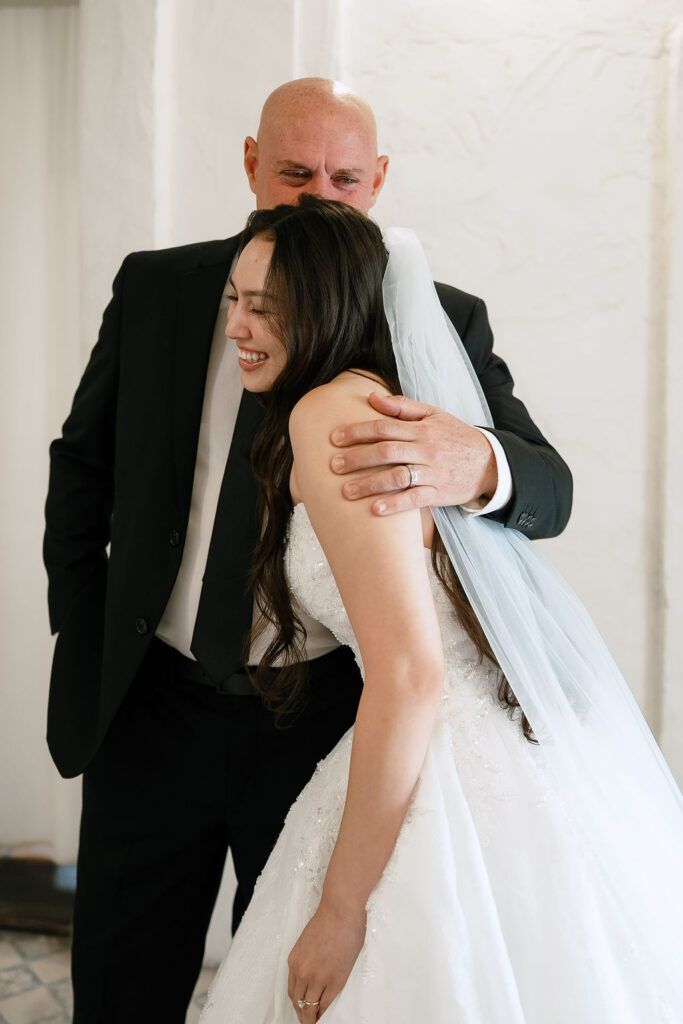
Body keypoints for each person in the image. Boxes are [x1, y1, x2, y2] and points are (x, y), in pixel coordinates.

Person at [43, 79, 571, 1022]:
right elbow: (79, 471)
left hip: (317, 719)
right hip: (149, 703)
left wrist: (476, 457)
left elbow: (552, 486)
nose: (318, 198)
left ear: (377, 184)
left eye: (345, 178)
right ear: (250, 163)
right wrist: (84, 641)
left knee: (287, 991)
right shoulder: (160, 286)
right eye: (293, 173)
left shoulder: (434, 317)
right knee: (120, 987)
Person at [198, 197, 683, 1023]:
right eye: (232, 301)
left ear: (321, 305)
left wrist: (344, 912)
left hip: (439, 754)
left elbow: (411, 673)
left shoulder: (331, 417)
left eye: (263, 306)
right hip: (500, 746)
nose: (237, 326)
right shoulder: (381, 397)